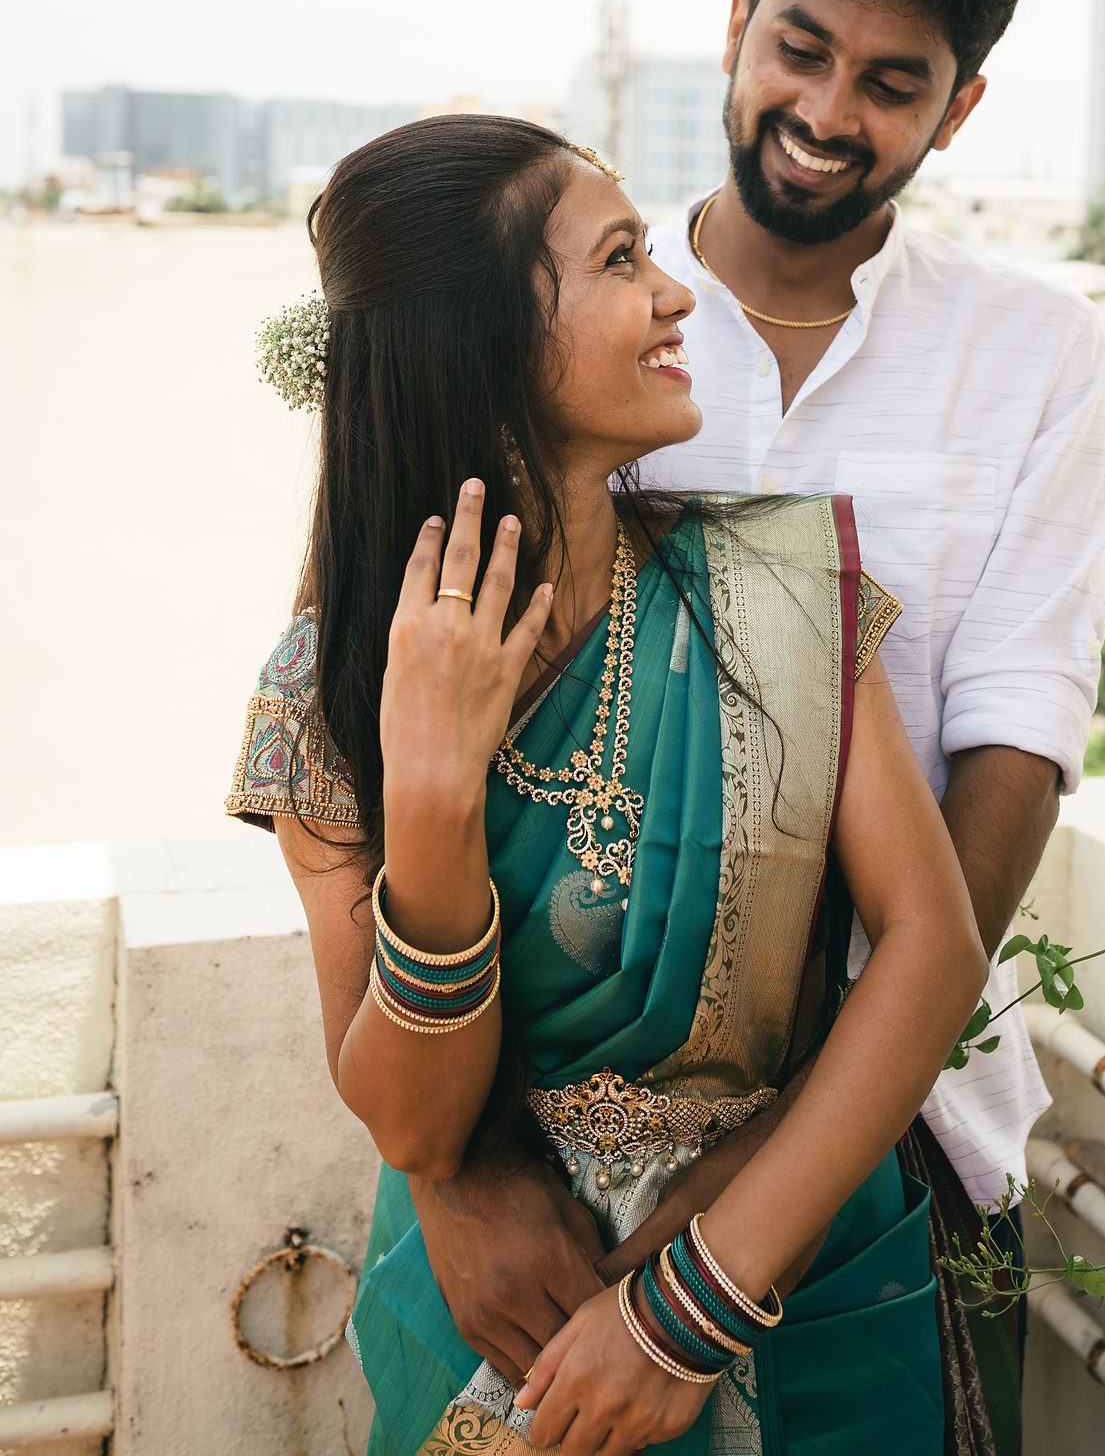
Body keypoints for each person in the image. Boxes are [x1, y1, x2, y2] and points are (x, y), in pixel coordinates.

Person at [411, 0, 1105, 1454]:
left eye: (892, 83)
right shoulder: (570, 312)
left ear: (959, 109)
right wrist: (446, 1172)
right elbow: (418, 722)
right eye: (801, 49)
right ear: (737, 29)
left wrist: (808, 1131)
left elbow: (1015, 738)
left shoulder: (1032, 354)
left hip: (908, 1132)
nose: (827, 108)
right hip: (543, 1133)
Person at [226, 113, 989, 1454]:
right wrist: (438, 797)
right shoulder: (333, 682)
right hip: (494, 1322)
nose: (678, 291)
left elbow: (932, 948)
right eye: (624, 258)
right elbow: (408, 1115)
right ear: (484, 340)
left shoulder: (786, 602)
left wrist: (689, 1310)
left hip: (788, 1278)